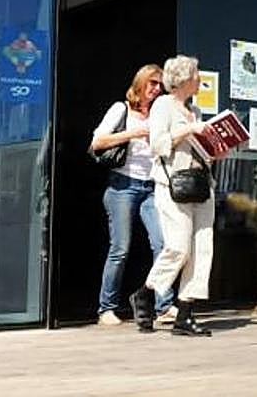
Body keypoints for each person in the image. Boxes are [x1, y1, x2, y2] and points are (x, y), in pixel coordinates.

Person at [129, 54, 215, 337]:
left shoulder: (196, 110)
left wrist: (216, 148)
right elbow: (158, 144)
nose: (200, 77)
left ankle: (185, 313)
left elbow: (199, 150)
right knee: (178, 247)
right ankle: (146, 292)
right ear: (184, 78)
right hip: (173, 185)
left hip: (201, 184)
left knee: (202, 250)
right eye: (196, 72)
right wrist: (189, 129)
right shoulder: (164, 105)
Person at [90, 64, 176, 326]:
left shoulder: (161, 114)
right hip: (122, 186)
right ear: (139, 83)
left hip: (152, 186)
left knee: (163, 245)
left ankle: (164, 305)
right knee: (121, 248)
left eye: (159, 85)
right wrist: (134, 132)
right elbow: (96, 143)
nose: (156, 89)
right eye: (151, 83)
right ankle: (106, 308)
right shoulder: (122, 109)